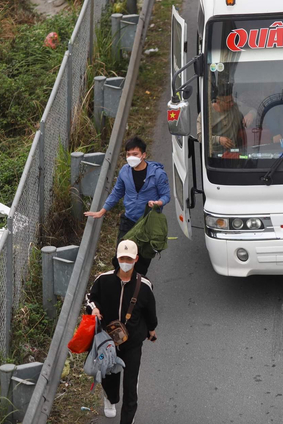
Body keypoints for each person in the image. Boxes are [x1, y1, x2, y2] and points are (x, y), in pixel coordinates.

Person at [85, 240, 157, 423]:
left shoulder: (145, 286)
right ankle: (110, 398)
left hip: (133, 343)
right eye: (122, 258)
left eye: (129, 258)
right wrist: (93, 309)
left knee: (130, 385)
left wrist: (151, 329)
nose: (125, 261)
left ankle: (127, 419)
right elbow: (91, 299)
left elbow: (150, 311)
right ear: (117, 258)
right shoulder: (103, 279)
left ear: (136, 259)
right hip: (108, 342)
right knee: (110, 375)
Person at [84, 136, 170, 275]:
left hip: (147, 223)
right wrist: (102, 211)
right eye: (128, 154)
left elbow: (166, 196)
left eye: (135, 154)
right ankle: (120, 286)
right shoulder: (125, 171)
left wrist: (157, 203)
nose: (131, 157)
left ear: (143, 155)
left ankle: (138, 287)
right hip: (128, 220)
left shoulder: (158, 174)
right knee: (121, 256)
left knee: (141, 262)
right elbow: (117, 193)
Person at [197, 82, 256, 155]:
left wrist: (251, 114)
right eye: (228, 102)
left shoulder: (235, 107)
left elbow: (253, 110)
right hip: (215, 154)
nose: (231, 103)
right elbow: (200, 137)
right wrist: (219, 140)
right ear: (218, 101)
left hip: (234, 152)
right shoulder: (206, 114)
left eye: (232, 100)